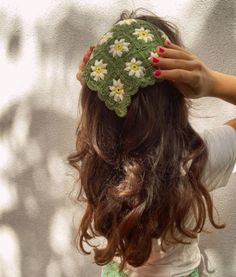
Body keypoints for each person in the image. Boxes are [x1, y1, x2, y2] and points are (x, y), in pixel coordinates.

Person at [68, 8, 236, 277]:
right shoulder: (198, 159)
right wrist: (213, 83)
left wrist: (95, 92)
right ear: (177, 96)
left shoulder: (100, 160)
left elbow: (107, 119)